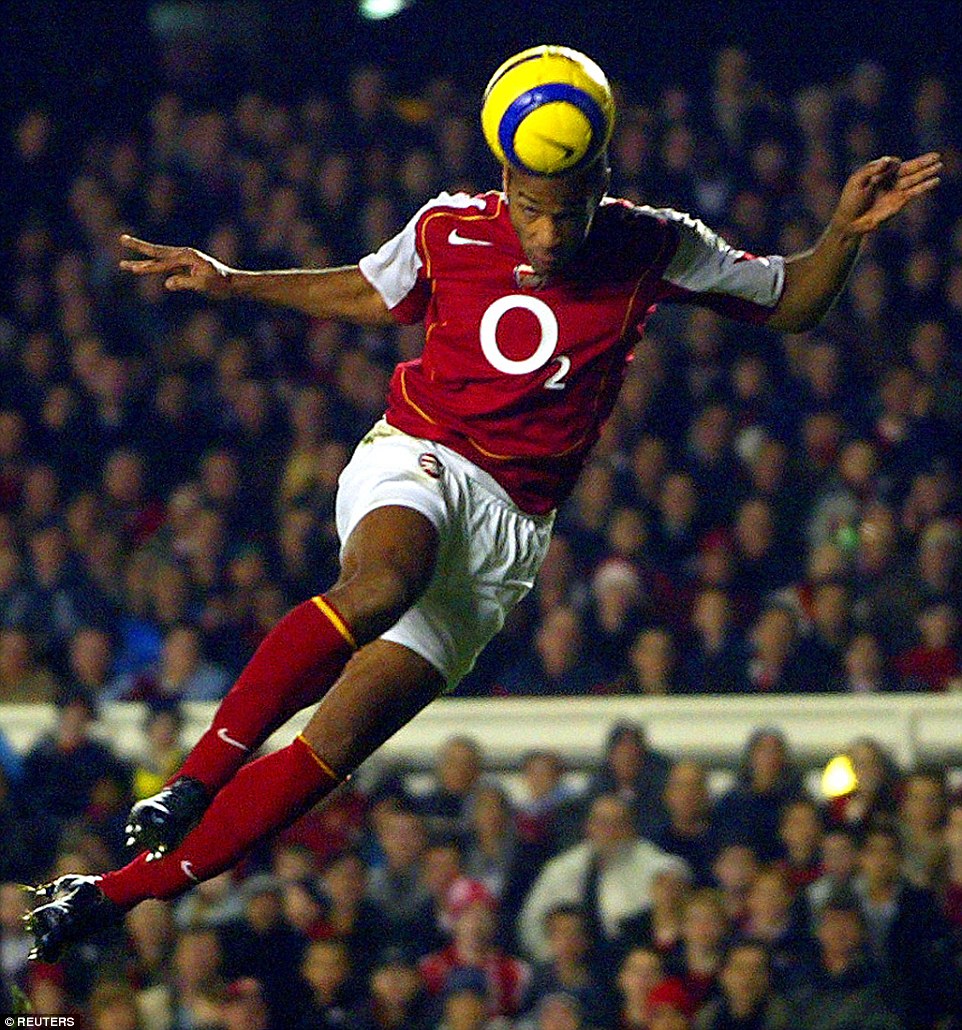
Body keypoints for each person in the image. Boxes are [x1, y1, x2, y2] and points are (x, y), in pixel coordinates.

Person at [23, 42, 943, 960]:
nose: (549, 236)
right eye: (535, 214)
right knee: (383, 581)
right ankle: (194, 778)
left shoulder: (652, 244)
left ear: (603, 181)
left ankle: (112, 893)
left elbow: (790, 301)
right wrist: (234, 281)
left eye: (570, 211)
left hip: (510, 538)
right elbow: (368, 290)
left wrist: (845, 235)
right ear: (505, 182)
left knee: (335, 748)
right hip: (418, 456)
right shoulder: (447, 226)